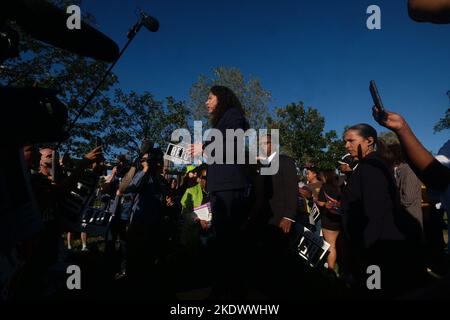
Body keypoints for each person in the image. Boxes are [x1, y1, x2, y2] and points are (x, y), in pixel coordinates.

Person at [341, 123, 426, 298]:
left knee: (376, 289)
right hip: (374, 243)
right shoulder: (368, 165)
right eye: (345, 141)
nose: (346, 146)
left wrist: (367, 247)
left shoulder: (372, 167)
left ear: (369, 141)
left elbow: (376, 211)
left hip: (375, 246)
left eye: (351, 140)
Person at [190, 85, 250, 298]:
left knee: (228, 242)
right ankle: (226, 286)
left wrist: (205, 148)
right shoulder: (221, 123)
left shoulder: (233, 115)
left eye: (209, 98)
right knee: (224, 241)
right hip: (222, 186)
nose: (206, 102)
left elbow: (234, 143)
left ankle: (229, 290)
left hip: (229, 186)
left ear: (221, 98)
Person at [316, 169, 342, 272]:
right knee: (335, 244)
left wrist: (316, 200)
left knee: (331, 245)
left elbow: (321, 203)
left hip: (328, 219)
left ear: (326, 176)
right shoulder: (338, 188)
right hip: (338, 219)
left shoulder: (325, 187)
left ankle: (331, 269)